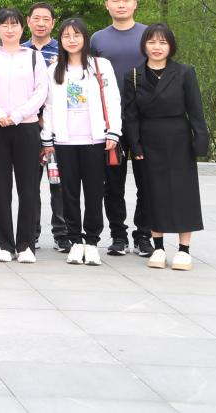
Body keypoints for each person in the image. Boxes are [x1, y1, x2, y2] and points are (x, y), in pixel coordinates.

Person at [123, 24, 207, 271]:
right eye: (151, 42)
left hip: (179, 138)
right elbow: (130, 116)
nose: (157, 47)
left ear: (170, 46)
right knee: (153, 193)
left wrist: (200, 141)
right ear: (144, 45)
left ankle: (184, 249)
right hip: (148, 140)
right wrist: (135, 145)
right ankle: (158, 246)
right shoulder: (133, 75)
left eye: (162, 42)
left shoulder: (184, 72)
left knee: (183, 193)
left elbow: (196, 110)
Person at [41, 18, 121, 267]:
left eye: (77, 35)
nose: (72, 40)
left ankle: (92, 242)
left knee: (95, 192)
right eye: (66, 36)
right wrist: (47, 138)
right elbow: (48, 106)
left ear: (85, 38)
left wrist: (113, 132)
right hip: (64, 141)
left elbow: (113, 99)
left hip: (95, 139)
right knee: (68, 193)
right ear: (60, 40)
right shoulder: (54, 70)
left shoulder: (100, 66)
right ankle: (75, 241)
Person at [0, 8, 48, 264]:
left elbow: (41, 91)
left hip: (26, 127)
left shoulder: (34, 57)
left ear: (22, 28)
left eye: (14, 24)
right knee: (0, 188)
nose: (9, 29)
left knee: (29, 188)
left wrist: (17, 115)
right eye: (4, 25)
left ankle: (26, 244)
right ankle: (5, 244)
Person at [90, 0, 150, 257]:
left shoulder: (149, 35)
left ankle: (144, 235)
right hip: (110, 122)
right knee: (112, 183)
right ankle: (118, 235)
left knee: (147, 182)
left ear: (135, 3)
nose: (121, 4)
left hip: (145, 121)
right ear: (107, 5)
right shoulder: (97, 39)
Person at [21, 2, 68, 252]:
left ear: (53, 23)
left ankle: (62, 234)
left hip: (57, 127)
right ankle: (31, 233)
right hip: (27, 125)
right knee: (30, 183)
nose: (41, 23)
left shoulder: (63, 51)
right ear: (28, 21)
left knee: (58, 182)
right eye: (36, 18)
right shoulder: (19, 50)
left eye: (46, 19)